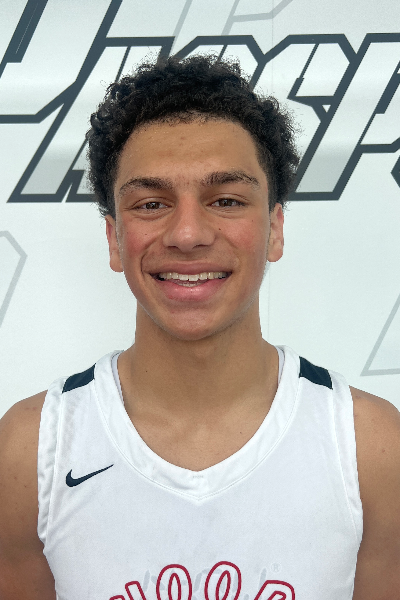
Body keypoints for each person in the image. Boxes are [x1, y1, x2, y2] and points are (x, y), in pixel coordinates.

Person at [0, 55, 399, 600]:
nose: (187, 233)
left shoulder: (369, 446)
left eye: (226, 200)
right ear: (114, 239)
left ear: (275, 229)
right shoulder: (32, 451)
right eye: (152, 203)